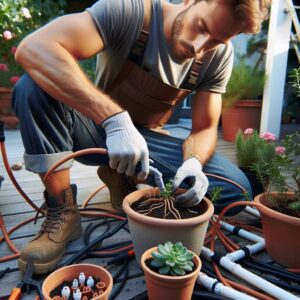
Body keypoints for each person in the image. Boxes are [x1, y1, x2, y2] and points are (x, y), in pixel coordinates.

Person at [12, 0, 271, 274]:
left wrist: (194, 163)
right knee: (32, 86)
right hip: (92, 130)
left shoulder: (218, 56)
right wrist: (114, 121)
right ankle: (62, 210)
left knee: (235, 188)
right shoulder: (130, 11)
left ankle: (121, 174)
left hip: (145, 143)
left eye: (216, 40)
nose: (199, 47)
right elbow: (34, 48)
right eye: (201, 26)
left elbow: (205, 127)